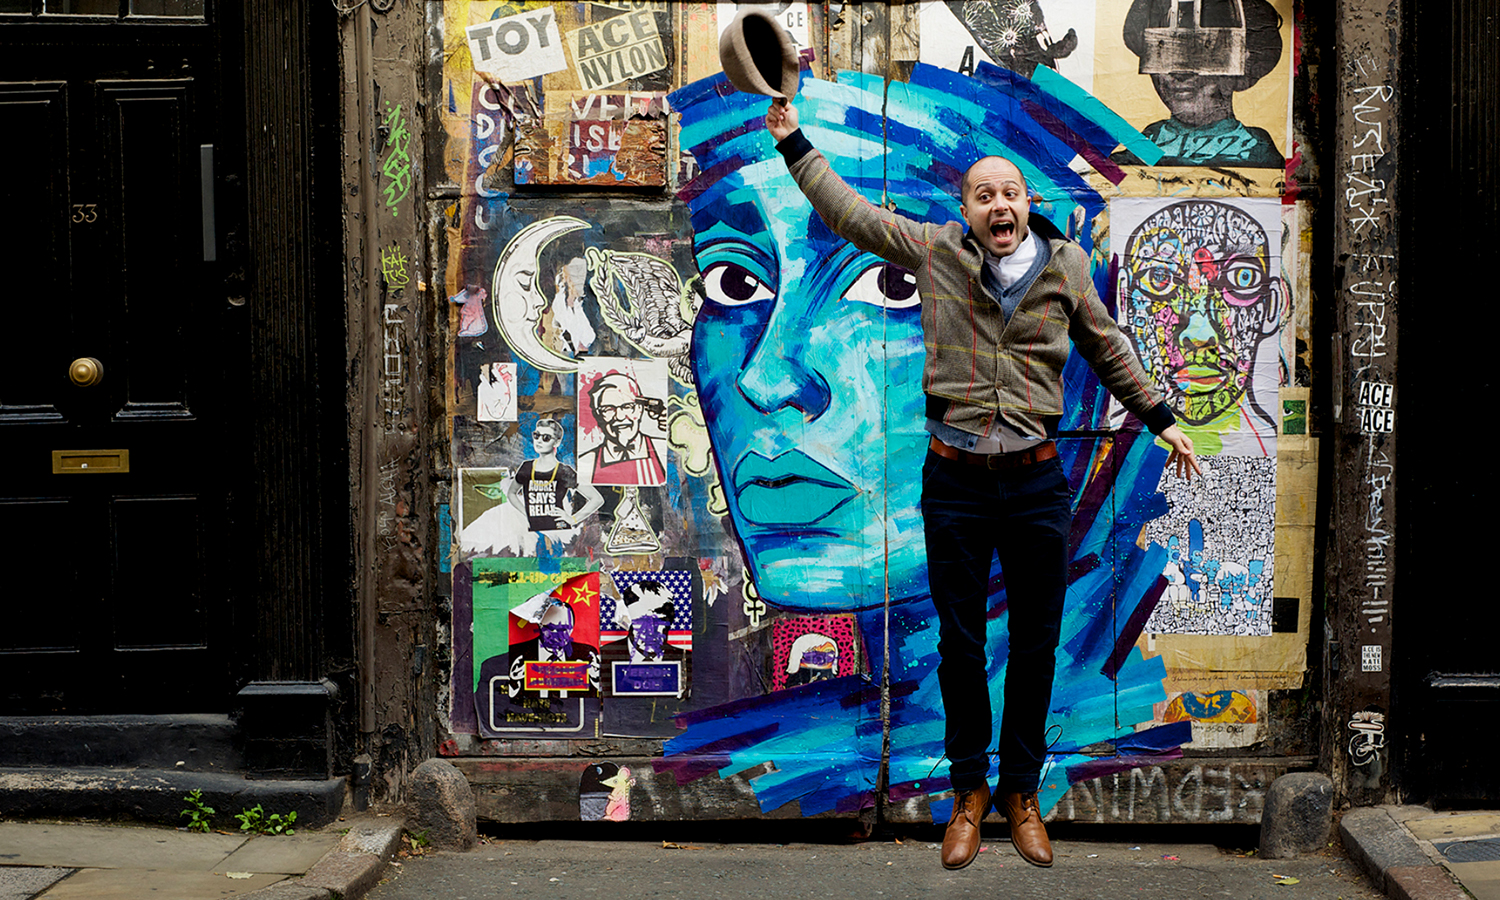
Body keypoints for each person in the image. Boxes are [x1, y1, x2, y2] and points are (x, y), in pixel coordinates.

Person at [764, 98, 1200, 870]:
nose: (999, 205)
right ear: (966, 210)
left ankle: (1021, 794)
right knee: (963, 646)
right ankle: (969, 793)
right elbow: (852, 214)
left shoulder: (1065, 267)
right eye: (984, 195)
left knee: (1035, 646)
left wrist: (1160, 417)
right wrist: (793, 139)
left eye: (1011, 193)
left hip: (1034, 485)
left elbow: (1107, 346)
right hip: (956, 482)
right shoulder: (935, 252)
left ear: (1027, 204)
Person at [1115, 0, 1284, 168]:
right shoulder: (1131, 157)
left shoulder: (1261, 156)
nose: (1181, 73)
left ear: (1243, 61)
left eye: (1206, 53)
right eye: (1164, 53)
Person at [506, 418, 604, 533]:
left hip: (559, 532)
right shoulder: (526, 467)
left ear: (556, 442)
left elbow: (597, 499)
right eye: (536, 435)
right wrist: (525, 512)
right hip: (533, 532)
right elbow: (511, 493)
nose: (539, 441)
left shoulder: (564, 471)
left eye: (546, 438)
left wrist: (573, 519)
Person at [577, 372, 668, 486]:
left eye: (627, 407)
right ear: (598, 414)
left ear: (640, 409)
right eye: (608, 409)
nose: (619, 416)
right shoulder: (586, 463)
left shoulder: (662, 450)